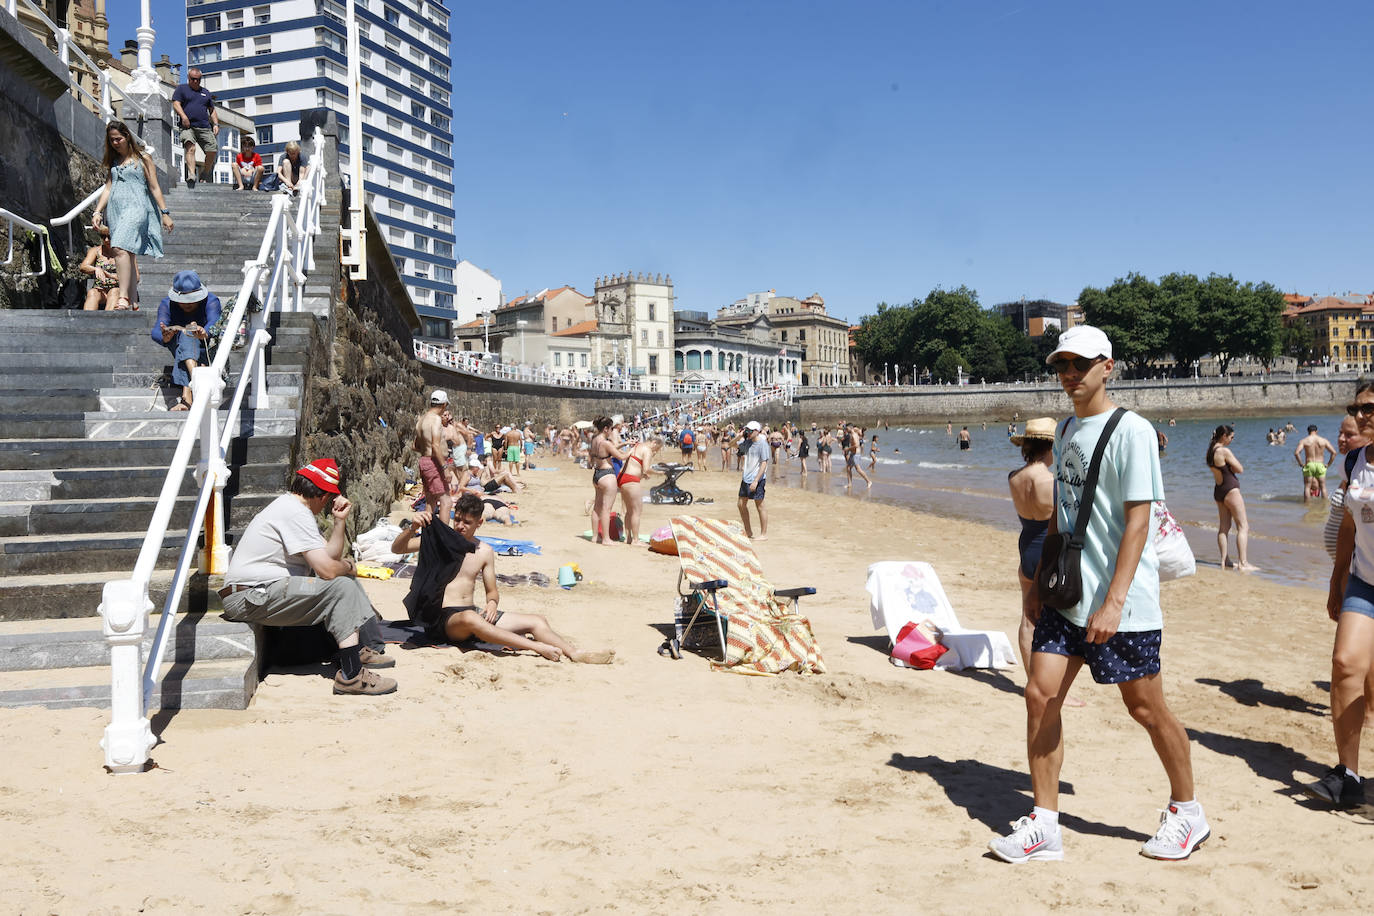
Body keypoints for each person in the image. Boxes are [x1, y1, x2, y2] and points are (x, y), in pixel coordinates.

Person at [989, 325, 1207, 864]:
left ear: (1108, 366)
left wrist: (1113, 602)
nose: (1069, 375)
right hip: (1068, 594)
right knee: (1039, 695)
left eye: (1080, 365)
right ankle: (1044, 823)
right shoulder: (1064, 431)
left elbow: (1137, 523)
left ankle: (1188, 813)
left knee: (1146, 707)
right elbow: (1061, 516)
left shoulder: (1132, 431)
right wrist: (1038, 582)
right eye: (1061, 365)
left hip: (1122, 602)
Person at [219, 459, 397, 696]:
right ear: (323, 496)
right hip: (251, 595)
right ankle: (352, 676)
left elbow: (328, 556)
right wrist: (348, 566)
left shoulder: (292, 508)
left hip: (258, 592)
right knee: (342, 586)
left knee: (344, 582)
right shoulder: (294, 512)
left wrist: (339, 522)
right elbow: (327, 569)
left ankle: (361, 648)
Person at [393, 493, 614, 663]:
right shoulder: (439, 542)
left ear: (479, 523)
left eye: (467, 522)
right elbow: (397, 549)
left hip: (473, 612)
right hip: (443, 619)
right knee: (470, 618)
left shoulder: (484, 551)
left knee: (537, 620)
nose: (459, 526)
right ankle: (536, 648)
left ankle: (574, 653)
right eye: (457, 520)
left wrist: (491, 603)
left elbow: (492, 591)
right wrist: (411, 528)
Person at [1315, 381, 1374, 808]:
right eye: (1358, 407)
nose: (1362, 413)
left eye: (1370, 407)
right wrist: (1338, 576)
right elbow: (1351, 526)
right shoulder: (1354, 460)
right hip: (1364, 582)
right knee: (1344, 663)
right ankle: (1349, 775)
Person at [90, 120, 172, 312]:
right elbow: (108, 187)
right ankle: (134, 300)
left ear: (127, 136)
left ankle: (123, 296)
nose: (115, 143)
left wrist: (165, 213)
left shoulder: (143, 158)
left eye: (118, 138)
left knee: (118, 247)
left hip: (137, 208)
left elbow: (154, 187)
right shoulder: (114, 161)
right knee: (128, 252)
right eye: (112, 140)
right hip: (116, 211)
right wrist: (97, 211)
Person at [152, 270, 222, 410]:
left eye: (192, 299)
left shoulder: (212, 301)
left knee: (187, 335)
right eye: (183, 301)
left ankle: (187, 395)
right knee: (185, 336)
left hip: (205, 347)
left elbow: (214, 323)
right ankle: (197, 379)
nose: (187, 304)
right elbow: (156, 331)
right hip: (179, 344)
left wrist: (204, 331)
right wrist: (165, 337)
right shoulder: (167, 304)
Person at [1207, 424, 1258, 571]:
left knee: (1224, 527)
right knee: (1243, 526)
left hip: (1219, 490)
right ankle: (1243, 562)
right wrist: (1232, 467)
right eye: (1231, 437)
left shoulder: (1210, 451)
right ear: (1224, 436)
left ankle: (1225, 560)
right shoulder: (1224, 451)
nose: (1231, 440)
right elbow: (1240, 469)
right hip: (1231, 489)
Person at [171, 68, 219, 187]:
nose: (195, 81)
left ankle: (205, 173)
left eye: (198, 79)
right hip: (188, 126)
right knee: (190, 148)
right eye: (193, 79)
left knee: (212, 150)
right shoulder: (181, 89)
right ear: (188, 78)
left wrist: (216, 124)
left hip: (204, 127)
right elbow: (176, 103)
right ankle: (192, 174)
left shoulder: (206, 92)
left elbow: (212, 110)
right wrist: (183, 116)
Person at [414, 391, 454, 525]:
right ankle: (443, 538)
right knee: (446, 501)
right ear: (443, 405)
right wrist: (445, 468)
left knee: (430, 501)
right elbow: (435, 446)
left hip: (424, 461)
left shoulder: (421, 420)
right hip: (434, 462)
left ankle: (428, 535)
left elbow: (415, 446)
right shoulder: (436, 419)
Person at [619, 436, 662, 546]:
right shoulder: (647, 449)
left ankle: (628, 538)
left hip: (622, 478)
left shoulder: (637, 446)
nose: (655, 451)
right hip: (631, 480)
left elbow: (635, 465)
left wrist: (642, 475)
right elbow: (646, 469)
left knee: (629, 511)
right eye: (656, 448)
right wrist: (659, 473)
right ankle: (635, 540)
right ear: (653, 442)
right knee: (636, 512)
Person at [589, 416, 626, 545]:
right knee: (606, 508)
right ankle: (606, 538)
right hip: (607, 474)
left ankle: (595, 537)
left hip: (597, 474)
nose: (611, 431)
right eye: (610, 429)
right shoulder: (605, 442)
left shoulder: (594, 439)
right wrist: (633, 450)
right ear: (605, 429)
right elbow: (621, 456)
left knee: (597, 507)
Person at [76, 224, 124, 310]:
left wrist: (110, 275)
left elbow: (136, 278)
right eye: (103, 236)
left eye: (109, 236)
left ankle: (107, 321)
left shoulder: (124, 253)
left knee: (114, 292)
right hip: (100, 289)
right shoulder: (96, 250)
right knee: (92, 292)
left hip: (118, 288)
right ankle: (86, 321)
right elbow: (83, 267)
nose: (106, 240)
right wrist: (96, 269)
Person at [737, 420, 770, 540]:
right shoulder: (747, 443)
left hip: (757, 479)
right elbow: (731, 445)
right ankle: (748, 531)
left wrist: (756, 480)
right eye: (747, 430)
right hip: (746, 477)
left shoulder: (763, 444)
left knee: (760, 505)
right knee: (741, 504)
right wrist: (739, 436)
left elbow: (764, 463)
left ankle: (763, 534)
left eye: (750, 430)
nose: (748, 432)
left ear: (757, 431)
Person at [1295, 424, 1336, 503]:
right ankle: (1324, 504)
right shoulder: (1323, 440)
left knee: (1307, 487)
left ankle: (1307, 505)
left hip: (1309, 464)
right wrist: (1328, 464)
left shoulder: (1304, 441)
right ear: (1316, 431)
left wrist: (1301, 464)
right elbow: (1334, 452)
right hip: (1320, 464)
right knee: (1323, 487)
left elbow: (1297, 453)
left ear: (1308, 431)